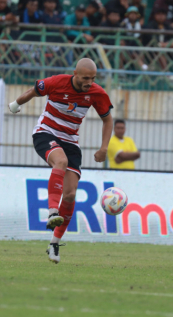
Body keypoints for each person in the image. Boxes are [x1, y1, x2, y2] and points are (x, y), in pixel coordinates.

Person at [7, 58, 114, 264]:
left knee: (71, 194)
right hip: (45, 133)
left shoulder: (97, 93)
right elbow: (33, 91)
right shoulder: (57, 82)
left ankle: (54, 244)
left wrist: (104, 147)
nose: (89, 82)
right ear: (75, 73)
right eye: (85, 78)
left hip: (71, 142)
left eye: (92, 78)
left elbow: (107, 119)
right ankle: (52, 211)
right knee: (61, 161)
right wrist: (15, 104)